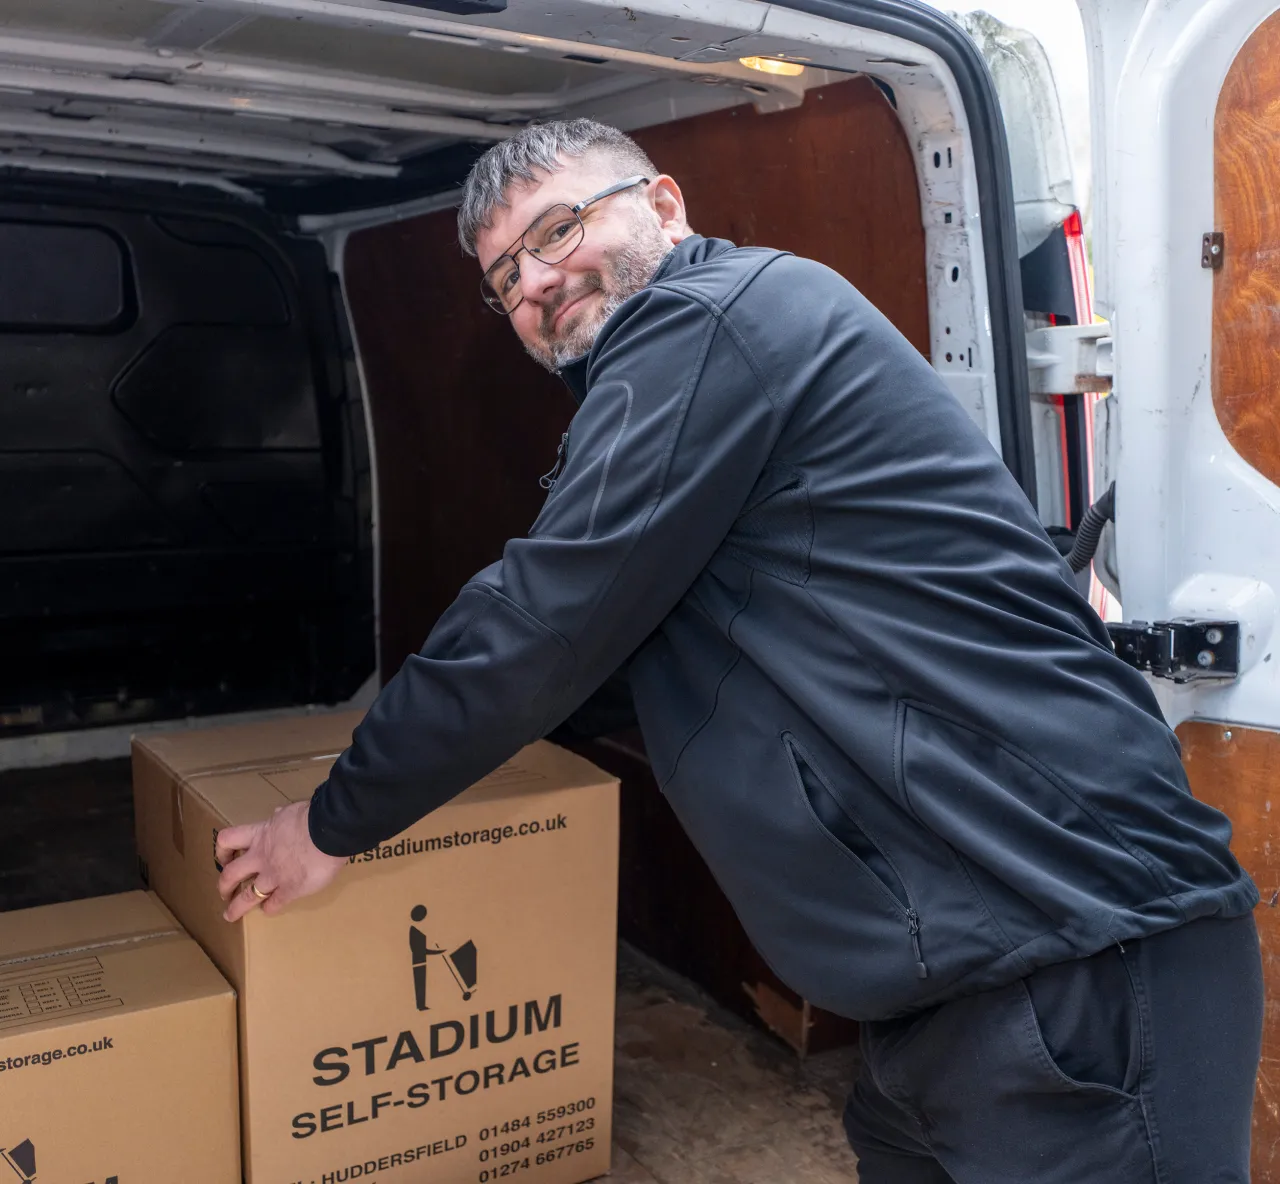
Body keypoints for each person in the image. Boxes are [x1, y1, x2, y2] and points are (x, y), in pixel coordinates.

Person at [215, 119, 1263, 1182]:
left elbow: (541, 619)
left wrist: (330, 823)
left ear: (663, 204)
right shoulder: (685, 377)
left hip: (1075, 956)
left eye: (559, 227)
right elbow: (619, 651)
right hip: (946, 990)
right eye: (503, 276)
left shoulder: (713, 320)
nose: (534, 279)